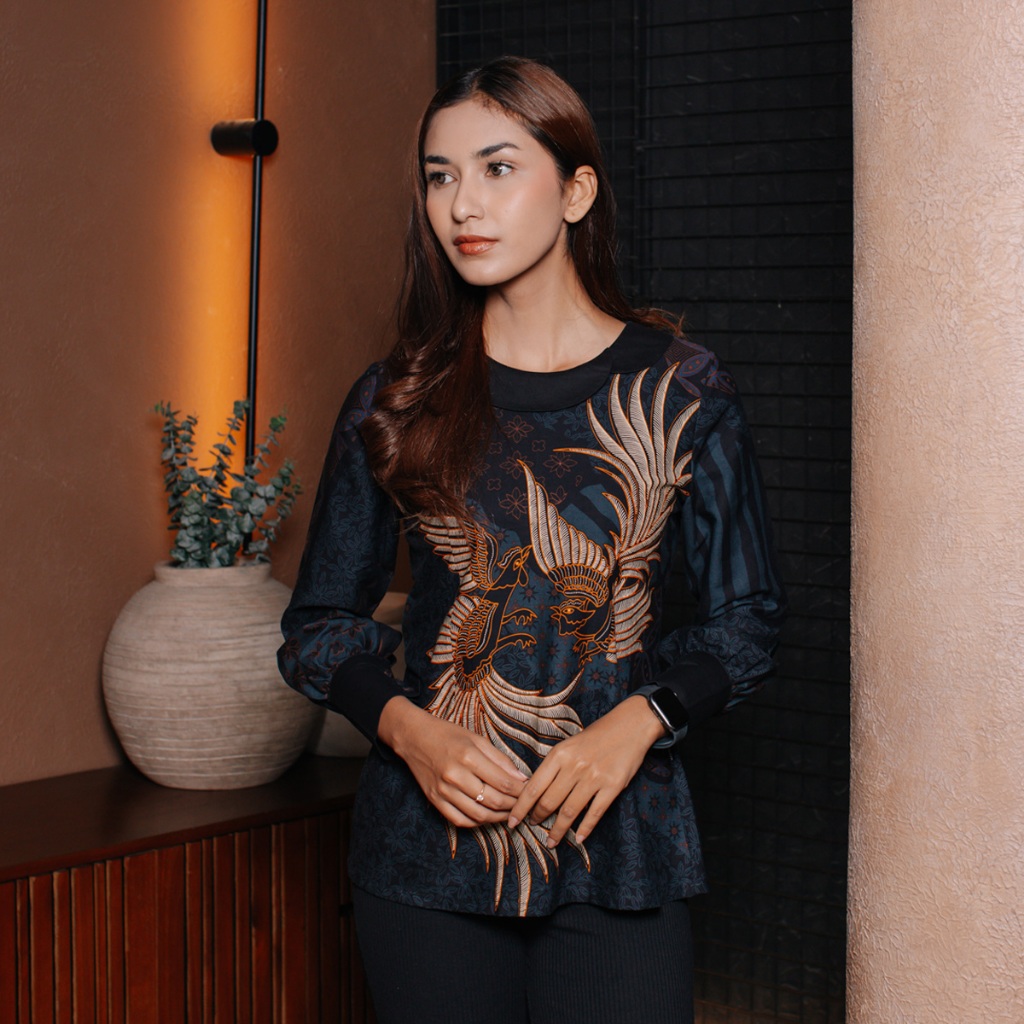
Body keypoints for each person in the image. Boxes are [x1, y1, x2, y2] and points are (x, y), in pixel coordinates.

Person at [278, 55, 785, 1024]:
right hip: (427, 854)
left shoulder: (682, 389)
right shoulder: (397, 397)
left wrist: (641, 720)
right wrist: (410, 731)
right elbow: (317, 627)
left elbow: (749, 620)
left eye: (498, 168)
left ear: (576, 191)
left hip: (621, 846)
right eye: (440, 175)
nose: (462, 203)